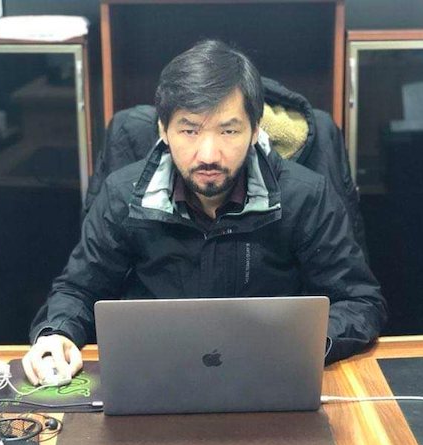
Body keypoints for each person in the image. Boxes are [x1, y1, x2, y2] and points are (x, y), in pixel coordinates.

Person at [23, 40, 387, 385]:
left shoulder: (304, 196)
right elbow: (78, 289)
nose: (209, 154)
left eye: (228, 131)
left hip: (268, 378)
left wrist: (303, 346)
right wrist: (57, 333)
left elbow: (360, 301)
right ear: (164, 130)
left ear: (255, 130)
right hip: (155, 379)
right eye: (190, 131)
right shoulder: (123, 195)